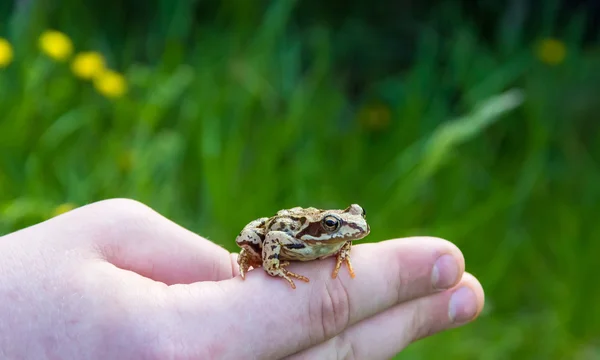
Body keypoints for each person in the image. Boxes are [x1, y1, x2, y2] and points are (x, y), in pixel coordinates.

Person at [0, 198, 485, 359]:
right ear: (322, 227)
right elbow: (271, 240)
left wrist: (341, 250)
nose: (350, 230)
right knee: (258, 236)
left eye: (351, 223)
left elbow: (347, 237)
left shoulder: (338, 238)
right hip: (275, 233)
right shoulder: (300, 236)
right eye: (338, 226)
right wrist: (271, 268)